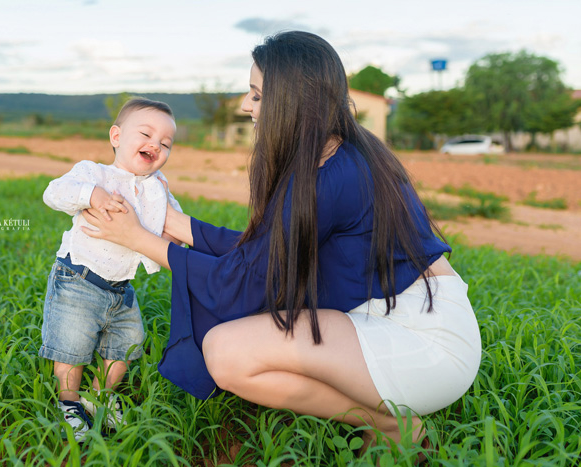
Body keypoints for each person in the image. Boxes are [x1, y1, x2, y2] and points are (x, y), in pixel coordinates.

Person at [81, 31, 481, 460]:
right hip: (393, 315)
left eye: (256, 94)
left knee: (227, 352)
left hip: (424, 343)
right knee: (229, 347)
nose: (245, 105)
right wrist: (177, 225)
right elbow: (271, 254)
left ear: (292, 101)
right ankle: (387, 418)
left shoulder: (331, 177)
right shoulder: (338, 152)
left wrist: (138, 239)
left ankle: (389, 424)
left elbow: (241, 282)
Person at [39, 97, 183, 441]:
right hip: (78, 279)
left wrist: (173, 240)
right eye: (146, 134)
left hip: (121, 288)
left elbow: (173, 220)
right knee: (72, 346)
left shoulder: (158, 187)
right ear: (116, 136)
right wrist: (93, 195)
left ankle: (98, 394)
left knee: (128, 343)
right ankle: (68, 402)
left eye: (165, 143)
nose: (155, 145)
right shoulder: (95, 173)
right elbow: (53, 192)